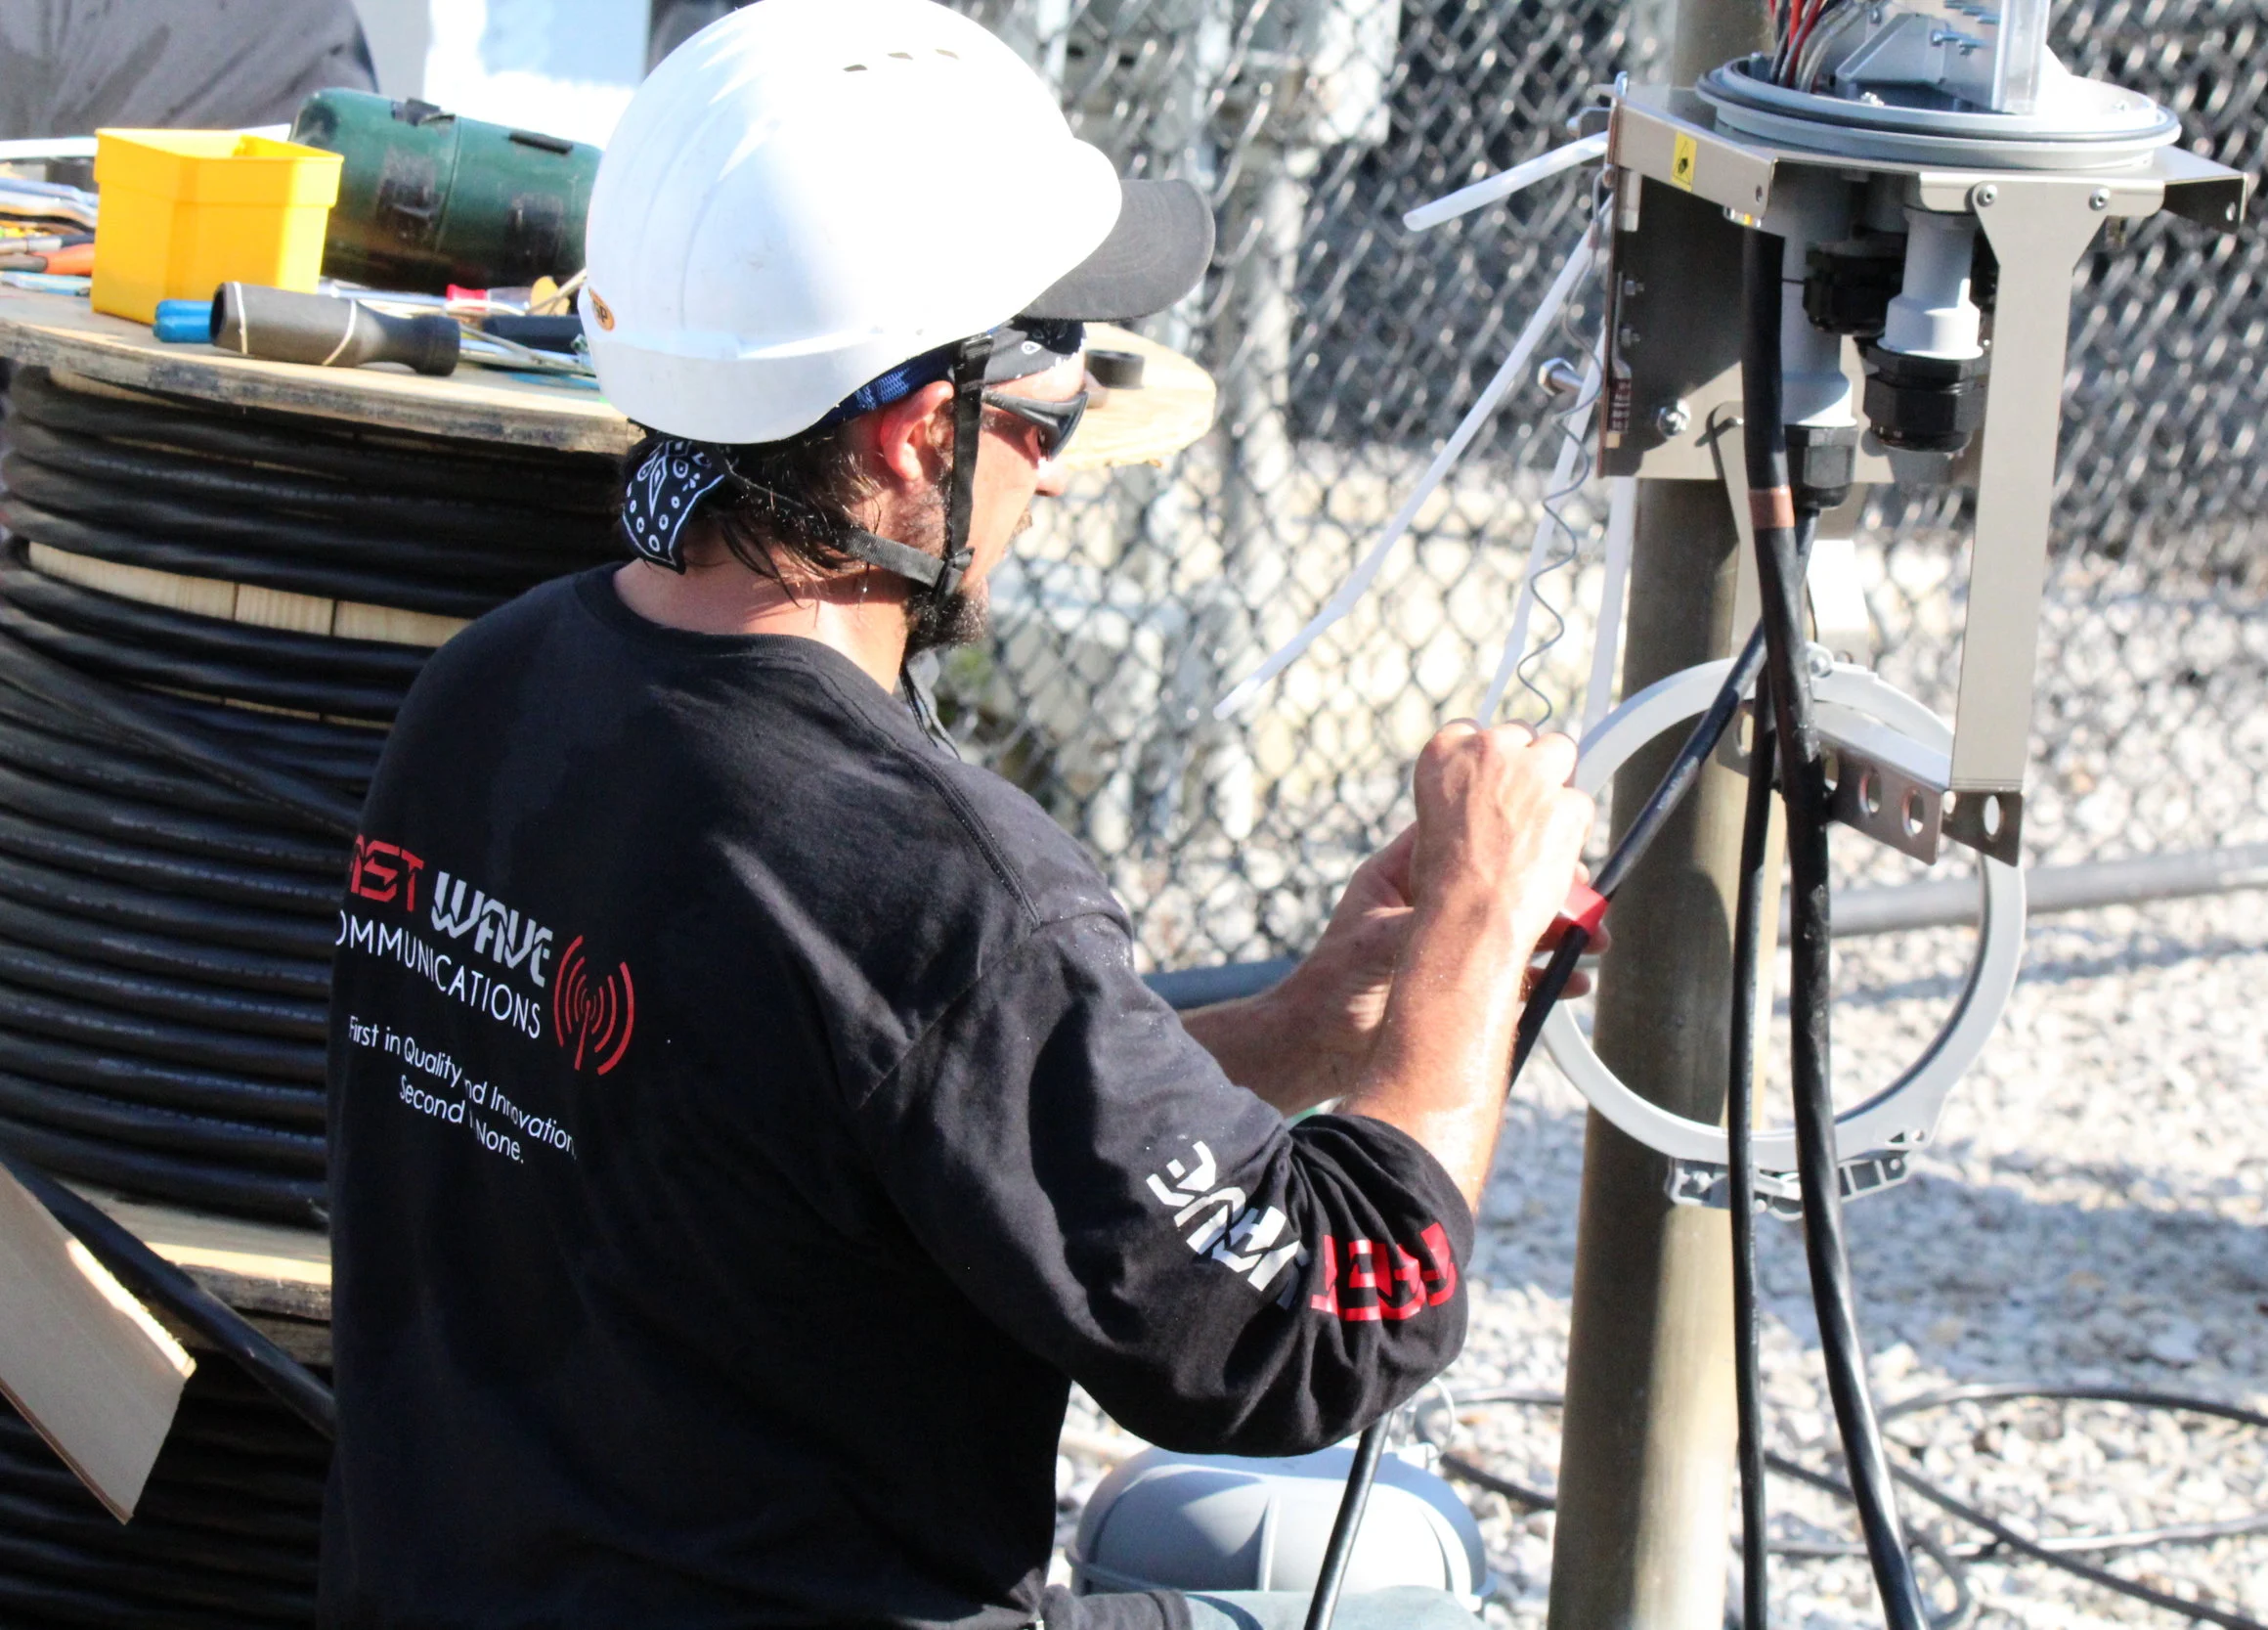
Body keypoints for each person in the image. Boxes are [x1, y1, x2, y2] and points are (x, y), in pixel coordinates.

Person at [319, 3, 1596, 1626]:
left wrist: (1308, 1025)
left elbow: (897, 1113)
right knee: (1386, 1575)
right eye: (1044, 410)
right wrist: (1478, 941)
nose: (1050, 475)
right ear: (919, 431)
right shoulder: (935, 883)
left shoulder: (488, 695)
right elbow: (1327, 1324)